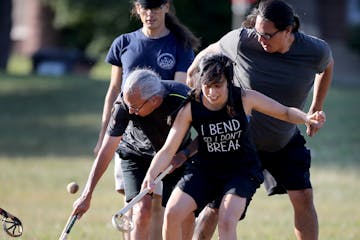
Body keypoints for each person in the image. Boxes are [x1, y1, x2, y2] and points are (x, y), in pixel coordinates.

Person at [187, 1, 334, 239]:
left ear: (288, 30)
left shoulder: (314, 51)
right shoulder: (243, 41)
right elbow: (213, 49)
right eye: (257, 32)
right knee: (216, 208)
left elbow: (327, 67)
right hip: (240, 145)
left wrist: (316, 107)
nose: (260, 39)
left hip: (283, 141)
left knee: (304, 196)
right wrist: (194, 71)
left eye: (267, 34)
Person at [142, 53, 325, 240]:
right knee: (172, 213)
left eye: (217, 86)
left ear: (228, 81)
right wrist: (150, 175)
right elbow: (168, 149)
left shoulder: (244, 98)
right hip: (205, 170)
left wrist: (306, 118)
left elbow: (285, 112)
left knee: (227, 220)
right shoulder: (191, 107)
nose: (212, 92)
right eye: (207, 86)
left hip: (241, 171)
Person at [92, 0, 200, 239]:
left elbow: (181, 91)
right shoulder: (124, 43)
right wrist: (103, 136)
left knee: (168, 206)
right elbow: (114, 91)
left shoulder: (179, 44)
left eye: (155, 7)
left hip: (168, 137)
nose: (150, 14)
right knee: (137, 209)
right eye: (145, 8)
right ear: (137, 9)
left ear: (166, 7)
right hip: (131, 137)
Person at [73, 69, 198, 239]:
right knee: (142, 211)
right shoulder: (124, 104)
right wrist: (87, 195)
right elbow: (107, 149)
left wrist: (185, 154)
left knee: (184, 212)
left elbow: (207, 133)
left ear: (155, 100)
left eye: (134, 107)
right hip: (135, 154)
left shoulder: (183, 98)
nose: (130, 112)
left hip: (176, 158)